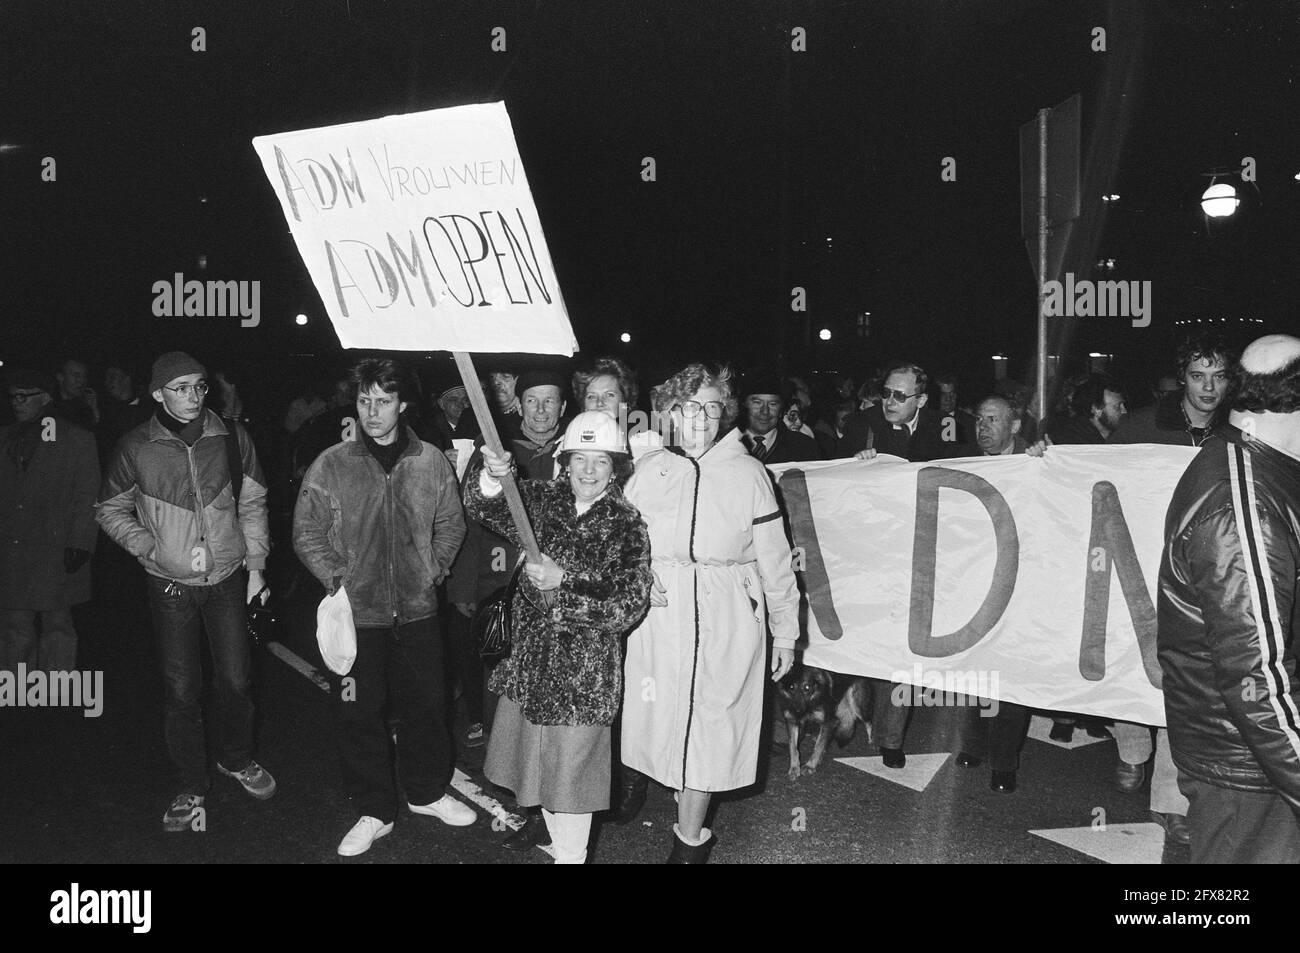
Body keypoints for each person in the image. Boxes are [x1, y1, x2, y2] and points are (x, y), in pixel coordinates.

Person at [293, 357, 473, 856]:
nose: (373, 412)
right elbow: (306, 532)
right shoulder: (332, 463)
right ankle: (374, 809)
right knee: (357, 713)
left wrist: (432, 570)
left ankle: (427, 792)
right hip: (359, 617)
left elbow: (451, 523)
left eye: (384, 401)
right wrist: (339, 581)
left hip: (417, 613)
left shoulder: (430, 460)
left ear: (403, 405)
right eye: (365, 400)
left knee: (428, 708)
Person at [620, 363, 799, 863]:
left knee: (712, 727)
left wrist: (786, 631)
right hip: (660, 617)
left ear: (725, 414)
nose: (700, 417)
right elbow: (620, 543)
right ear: (670, 412)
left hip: (728, 618)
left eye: (712, 406)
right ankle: (663, 790)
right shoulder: (650, 470)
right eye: (688, 406)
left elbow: (777, 561)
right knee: (660, 717)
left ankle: (689, 842)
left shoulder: (748, 473)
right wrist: (639, 575)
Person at [96, 351, 275, 832]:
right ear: (157, 394)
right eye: (180, 388)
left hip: (227, 578)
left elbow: (254, 501)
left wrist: (256, 568)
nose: (194, 396)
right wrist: (146, 546)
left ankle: (236, 758)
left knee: (237, 680)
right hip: (170, 584)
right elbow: (109, 508)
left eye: (199, 386)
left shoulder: (232, 437)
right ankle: (191, 782)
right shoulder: (136, 446)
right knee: (181, 690)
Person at [464, 411, 652, 864]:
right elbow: (484, 506)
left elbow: (628, 604)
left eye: (601, 461)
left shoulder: (627, 523)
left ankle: (572, 856)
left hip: (582, 679)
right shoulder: (544, 499)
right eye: (580, 459)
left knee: (573, 783)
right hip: (532, 667)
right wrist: (492, 476)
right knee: (540, 773)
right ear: (565, 462)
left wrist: (563, 582)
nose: (588, 471)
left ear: (616, 468)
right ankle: (558, 844)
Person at [1159, 334, 1300, 863]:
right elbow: (1255, 674)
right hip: (1250, 764)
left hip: (1257, 754)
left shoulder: (1258, 470)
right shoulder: (1244, 506)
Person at [1107, 332, 1236, 845]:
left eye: (1219, 376)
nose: (1209, 386)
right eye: (1199, 375)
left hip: (1202, 576)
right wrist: (1045, 456)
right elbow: (1093, 481)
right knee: (1130, 664)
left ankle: (1171, 798)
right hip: (1137, 566)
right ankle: (1131, 747)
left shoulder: (1238, 433)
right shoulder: (1141, 425)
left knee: (1184, 679)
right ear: (1181, 378)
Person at [844, 361, 950, 767]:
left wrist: (1030, 457)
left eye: (899, 396)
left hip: (923, 554)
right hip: (869, 554)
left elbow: (987, 469)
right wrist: (856, 465)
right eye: (886, 392)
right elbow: (831, 483)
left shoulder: (946, 427)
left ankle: (890, 737)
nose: (889, 401)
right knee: (862, 637)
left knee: (900, 647)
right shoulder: (862, 425)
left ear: (921, 400)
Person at [952, 395, 1033, 792]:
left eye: (993, 419)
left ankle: (1004, 761)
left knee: (1010, 674)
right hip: (977, 579)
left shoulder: (1037, 463)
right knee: (975, 669)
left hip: (1020, 582)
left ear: (1015, 427)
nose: (982, 427)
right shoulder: (965, 460)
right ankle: (974, 743)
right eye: (979, 419)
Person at [0, 370, 99, 673]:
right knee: (14, 625)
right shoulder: (6, 437)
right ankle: (16, 686)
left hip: (55, 547)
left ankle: (55, 689)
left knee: (58, 624)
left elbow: (88, 494)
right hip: (13, 546)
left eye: (24, 396)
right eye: (13, 396)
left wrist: (81, 542)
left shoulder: (76, 439)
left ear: (44, 397)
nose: (16, 403)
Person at [739, 371, 821, 464]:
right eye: (757, 403)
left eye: (772, 404)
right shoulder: (727, 444)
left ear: (781, 409)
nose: (765, 411)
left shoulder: (804, 447)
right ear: (743, 405)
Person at [51, 356, 100, 432]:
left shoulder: (84, 408)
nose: (81, 380)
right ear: (60, 377)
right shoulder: (48, 406)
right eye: (76, 375)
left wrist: (94, 412)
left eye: (84, 376)